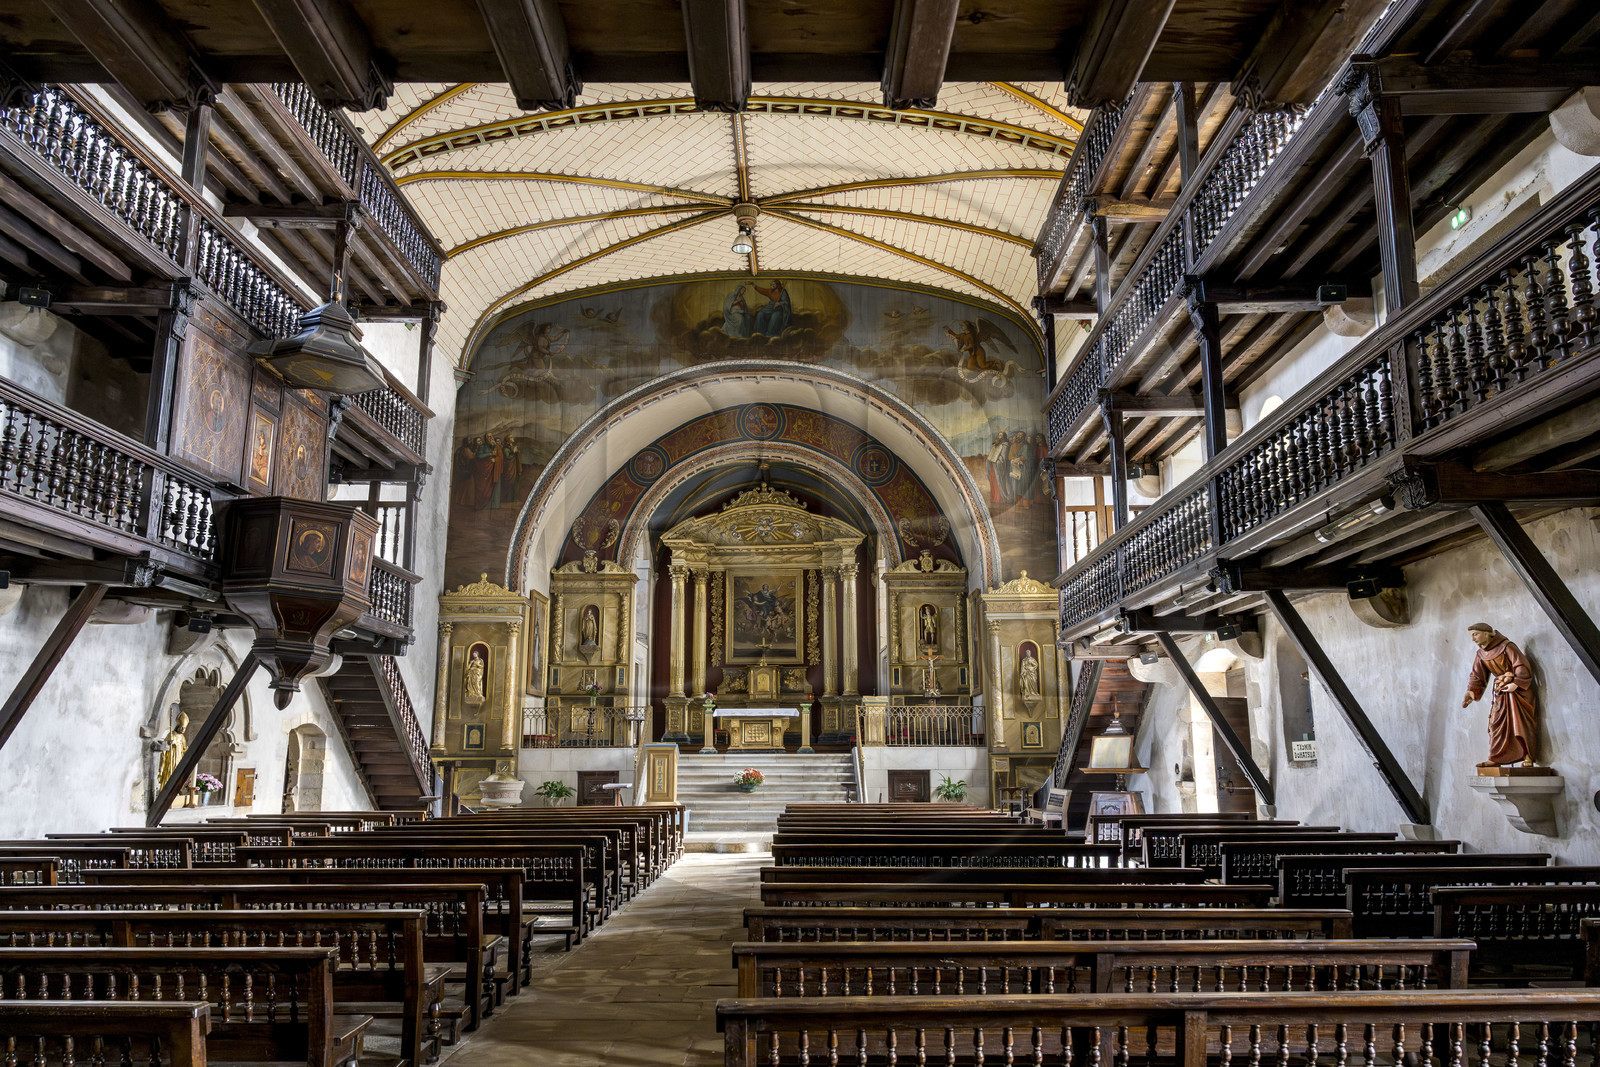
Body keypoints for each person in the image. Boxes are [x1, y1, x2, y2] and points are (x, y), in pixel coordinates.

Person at [1461, 622, 1539, 766]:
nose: (1473, 639)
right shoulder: (1481, 654)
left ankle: (1528, 756)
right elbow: (1477, 676)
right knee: (1496, 724)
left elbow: (1521, 665)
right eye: (1472, 635)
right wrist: (1471, 692)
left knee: (1521, 724)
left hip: (1519, 692)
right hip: (1501, 692)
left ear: (1487, 633)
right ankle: (1496, 758)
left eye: (1475, 634)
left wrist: (1515, 683)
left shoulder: (1507, 646)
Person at [156, 710, 189, 787]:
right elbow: (164, 747)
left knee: (177, 775)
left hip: (179, 759)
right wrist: (168, 743)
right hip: (171, 758)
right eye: (181, 728)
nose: (183, 730)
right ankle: (166, 789)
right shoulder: (171, 734)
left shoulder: (182, 737)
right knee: (169, 773)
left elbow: (184, 749)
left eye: (184, 728)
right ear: (178, 726)